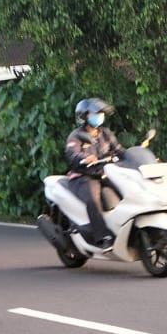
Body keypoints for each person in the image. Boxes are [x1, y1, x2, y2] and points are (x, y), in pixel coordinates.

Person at [63, 97, 121, 248]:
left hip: (104, 173)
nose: (99, 115)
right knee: (93, 199)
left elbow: (119, 150)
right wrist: (84, 158)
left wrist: (133, 155)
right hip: (83, 177)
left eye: (101, 113)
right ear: (85, 116)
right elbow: (72, 154)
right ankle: (103, 237)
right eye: (95, 113)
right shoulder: (76, 136)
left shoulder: (106, 133)